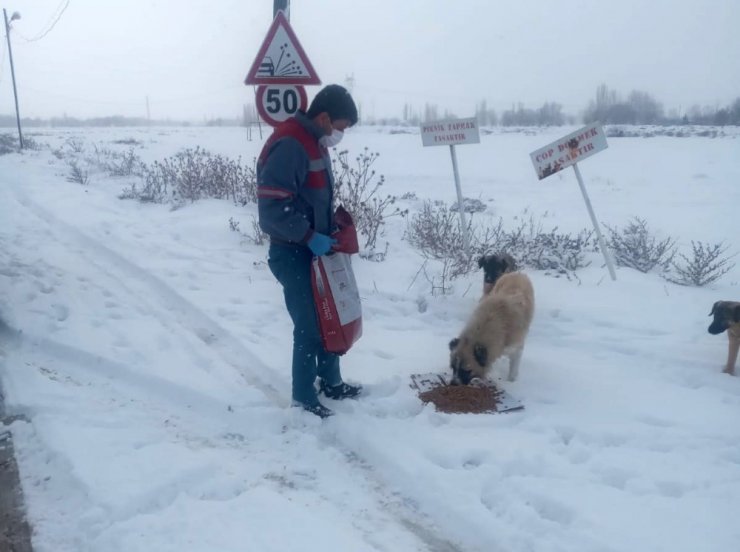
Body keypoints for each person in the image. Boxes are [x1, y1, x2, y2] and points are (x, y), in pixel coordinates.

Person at [257, 84, 363, 418]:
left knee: (331, 317)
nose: (339, 135)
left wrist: (332, 228)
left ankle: (331, 381)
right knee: (309, 325)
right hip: (292, 252)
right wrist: (308, 235)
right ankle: (303, 398)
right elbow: (272, 209)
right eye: (340, 127)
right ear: (324, 117)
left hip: (315, 250)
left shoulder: (315, 143)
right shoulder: (292, 143)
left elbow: (311, 196)